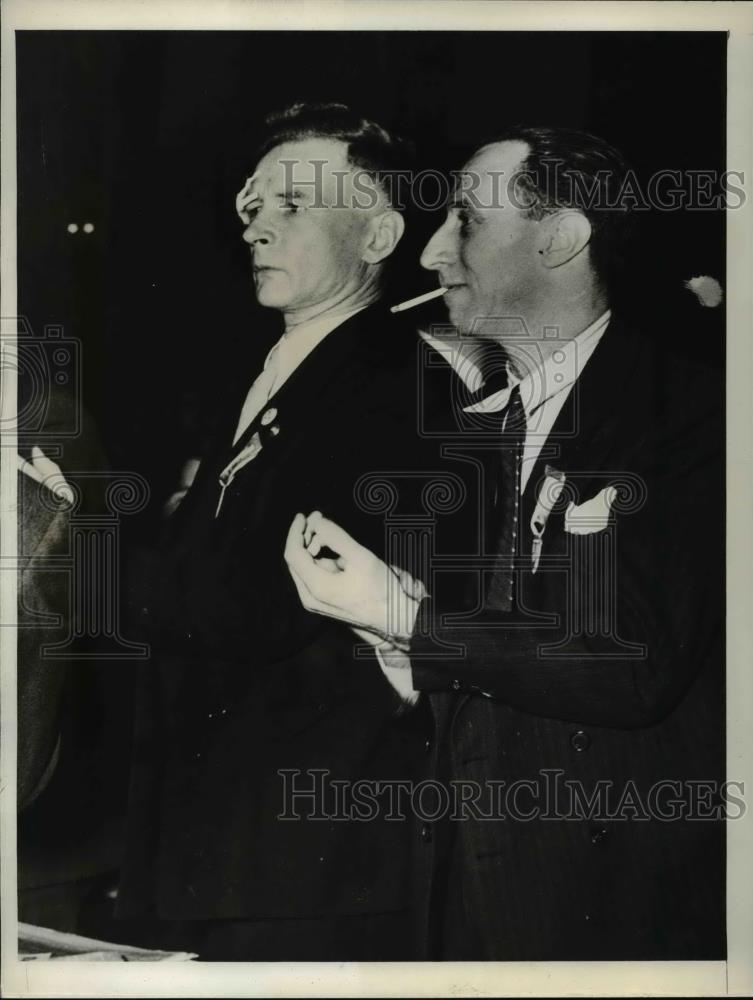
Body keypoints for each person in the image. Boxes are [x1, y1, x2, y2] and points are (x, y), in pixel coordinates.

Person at [284, 126, 725, 960]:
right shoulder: (475, 429)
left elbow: (628, 660)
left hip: (623, 912)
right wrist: (404, 636)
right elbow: (506, 651)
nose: (429, 252)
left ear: (560, 237)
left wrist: (408, 621)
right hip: (479, 888)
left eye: (463, 220)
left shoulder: (691, 411)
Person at [115, 103, 438, 960]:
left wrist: (65, 555)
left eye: (292, 205)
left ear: (376, 237)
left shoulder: (399, 385)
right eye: (252, 205)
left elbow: (266, 605)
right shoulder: (267, 368)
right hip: (218, 831)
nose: (257, 223)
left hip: (309, 851)